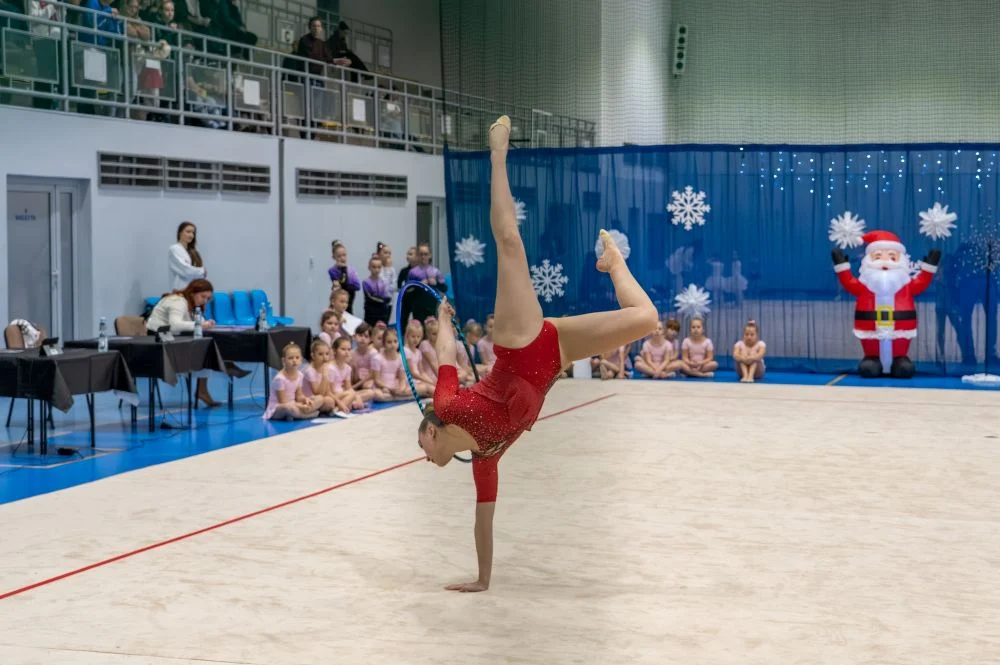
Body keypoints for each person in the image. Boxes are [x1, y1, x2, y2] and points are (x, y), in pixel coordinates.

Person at [416, 116, 658, 593]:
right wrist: (482, 580)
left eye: (421, 444)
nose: (422, 455)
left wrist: (442, 320)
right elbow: (482, 523)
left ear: (431, 430)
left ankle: (497, 152)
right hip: (554, 355)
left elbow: (447, 357)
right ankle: (615, 264)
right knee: (646, 319)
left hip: (520, 341)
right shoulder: (485, 460)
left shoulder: (446, 407)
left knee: (510, 244)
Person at [146, 278, 220, 406]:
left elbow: (196, 322)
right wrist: (201, 324)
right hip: (157, 341)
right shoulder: (178, 301)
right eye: (203, 296)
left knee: (206, 348)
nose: (205, 301)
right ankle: (205, 387)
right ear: (192, 293)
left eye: (208, 298)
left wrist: (206, 324)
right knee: (202, 352)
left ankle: (202, 390)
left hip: (172, 337)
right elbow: (175, 325)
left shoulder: (191, 303)